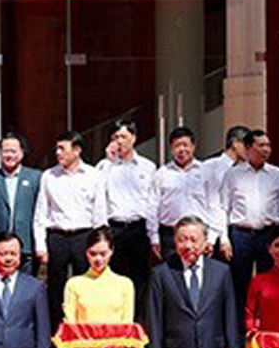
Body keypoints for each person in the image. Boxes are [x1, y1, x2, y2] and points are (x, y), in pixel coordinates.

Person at [147, 217, 241, 348]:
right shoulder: (161, 274)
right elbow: (154, 322)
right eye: (182, 240)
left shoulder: (221, 272)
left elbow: (230, 318)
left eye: (193, 239)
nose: (187, 245)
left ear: (205, 242)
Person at [34, 130, 109, 326]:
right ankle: (56, 331)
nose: (58, 153)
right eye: (57, 148)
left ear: (77, 150)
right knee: (56, 287)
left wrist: (99, 244)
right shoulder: (49, 176)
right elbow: (41, 212)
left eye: (62, 148)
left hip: (84, 237)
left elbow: (99, 211)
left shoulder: (94, 175)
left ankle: (84, 326)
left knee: (85, 285)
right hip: (57, 236)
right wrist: (40, 245)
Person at [62, 228, 136, 348]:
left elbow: (126, 324)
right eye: (93, 253)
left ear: (111, 252)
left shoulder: (125, 284)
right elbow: (70, 325)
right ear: (85, 253)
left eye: (103, 253)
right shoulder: (74, 284)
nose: (98, 259)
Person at [220, 128, 279, 321]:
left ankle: (268, 329)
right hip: (241, 235)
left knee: (270, 286)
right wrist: (224, 239)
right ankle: (239, 333)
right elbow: (223, 207)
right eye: (261, 145)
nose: (266, 149)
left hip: (269, 235)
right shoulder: (233, 174)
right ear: (248, 148)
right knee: (239, 285)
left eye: (268, 145)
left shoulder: (277, 175)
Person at [96, 118, 160, 319]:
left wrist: (153, 235)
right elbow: (99, 198)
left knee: (141, 277)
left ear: (134, 138)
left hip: (139, 228)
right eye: (115, 137)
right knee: (114, 277)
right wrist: (109, 162)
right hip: (114, 228)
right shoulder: (103, 167)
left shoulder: (147, 167)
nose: (119, 141)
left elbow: (152, 203)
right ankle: (116, 321)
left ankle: (139, 321)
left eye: (123, 136)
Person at [152, 127, 224, 260]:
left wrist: (212, 238)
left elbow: (214, 206)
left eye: (185, 145)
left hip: (199, 234)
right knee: (172, 276)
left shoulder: (206, 172)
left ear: (193, 146)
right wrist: (154, 238)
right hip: (170, 236)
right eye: (177, 146)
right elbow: (152, 207)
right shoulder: (161, 174)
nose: (181, 149)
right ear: (171, 149)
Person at [0, 132, 42, 275]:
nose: (9, 155)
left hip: (27, 247)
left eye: (13, 151)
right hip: (0, 247)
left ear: (21, 153)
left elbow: (42, 211)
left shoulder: (35, 177)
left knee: (26, 289)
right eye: (5, 151)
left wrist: (39, 243)